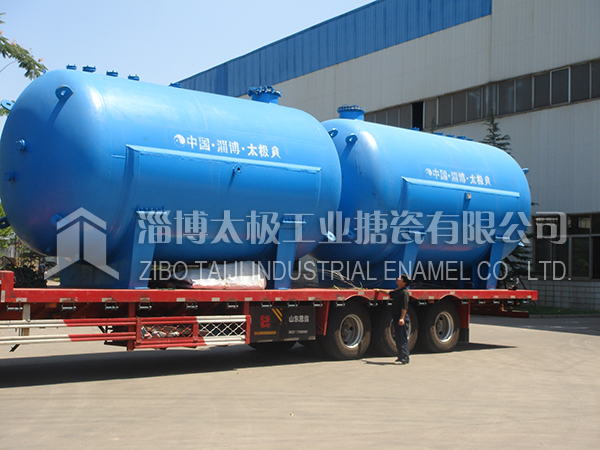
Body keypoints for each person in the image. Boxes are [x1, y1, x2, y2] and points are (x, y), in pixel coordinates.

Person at [376, 273, 411, 365]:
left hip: (401, 317)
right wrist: (379, 290)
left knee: (402, 338)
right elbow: (389, 293)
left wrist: (402, 318)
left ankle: (404, 358)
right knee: (398, 338)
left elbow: (404, 307)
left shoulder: (404, 293)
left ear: (404, 283)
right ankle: (400, 357)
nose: (398, 278)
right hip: (396, 317)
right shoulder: (397, 291)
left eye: (400, 278)